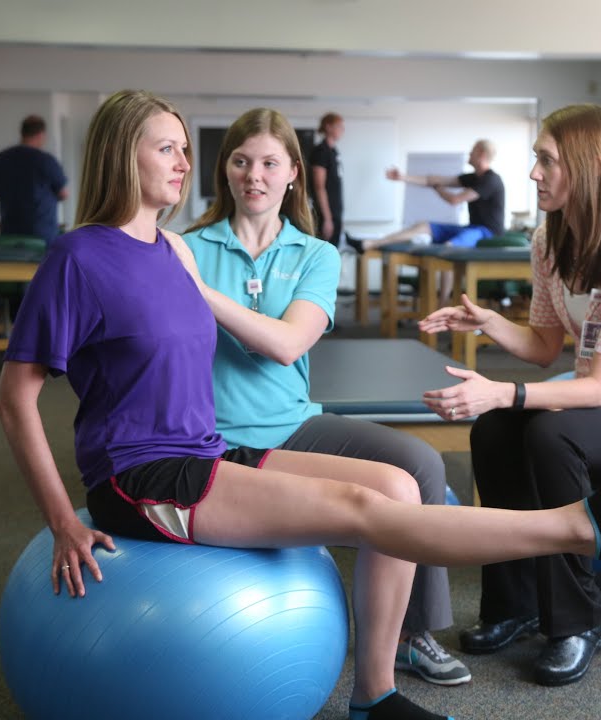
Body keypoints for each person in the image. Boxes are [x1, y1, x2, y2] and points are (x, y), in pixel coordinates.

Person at [0, 90, 601, 720]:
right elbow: (13, 399)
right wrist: (62, 520)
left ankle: (375, 693)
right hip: (142, 476)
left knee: (397, 485)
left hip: (208, 452)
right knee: (364, 512)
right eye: (167, 148)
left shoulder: (172, 251)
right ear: (121, 154)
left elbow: (273, 344)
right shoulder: (79, 257)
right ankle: (575, 527)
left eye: (186, 149)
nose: (185, 163)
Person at [416, 103, 601, 688]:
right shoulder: (550, 239)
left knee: (549, 432)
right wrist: (490, 323)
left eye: (546, 161)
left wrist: (502, 392)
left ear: (588, 166)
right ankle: (515, 604)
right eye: (536, 160)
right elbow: (546, 345)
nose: (534, 173)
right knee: (495, 430)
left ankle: (578, 621)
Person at [181, 108, 471, 687]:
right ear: (225, 170)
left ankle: (412, 634)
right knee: (391, 485)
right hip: (216, 436)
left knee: (420, 463)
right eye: (241, 161)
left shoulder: (314, 253)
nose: (254, 175)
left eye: (269, 163)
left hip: (292, 424)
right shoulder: (190, 247)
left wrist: (200, 292)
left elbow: (288, 344)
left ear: (293, 172)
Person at [350, 139, 505, 304]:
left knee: (449, 248)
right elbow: (431, 179)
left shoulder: (491, 180)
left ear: (481, 154)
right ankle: (370, 243)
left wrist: (437, 187)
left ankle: (442, 305)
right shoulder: (472, 178)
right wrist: (402, 177)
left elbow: (455, 199)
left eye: (473, 150)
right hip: (471, 228)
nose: (470, 153)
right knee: (423, 226)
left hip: (487, 233)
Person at [0, 114, 70, 245]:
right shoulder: (46, 161)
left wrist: (10, 197)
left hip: (9, 234)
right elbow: (64, 194)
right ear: (41, 135)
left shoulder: (0, 159)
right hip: (42, 235)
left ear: (22, 133)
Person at [308, 112, 345, 248]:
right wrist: (328, 219)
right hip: (325, 216)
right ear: (328, 127)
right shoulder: (321, 152)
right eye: (339, 126)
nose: (342, 130)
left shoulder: (334, 152)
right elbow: (319, 187)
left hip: (335, 213)